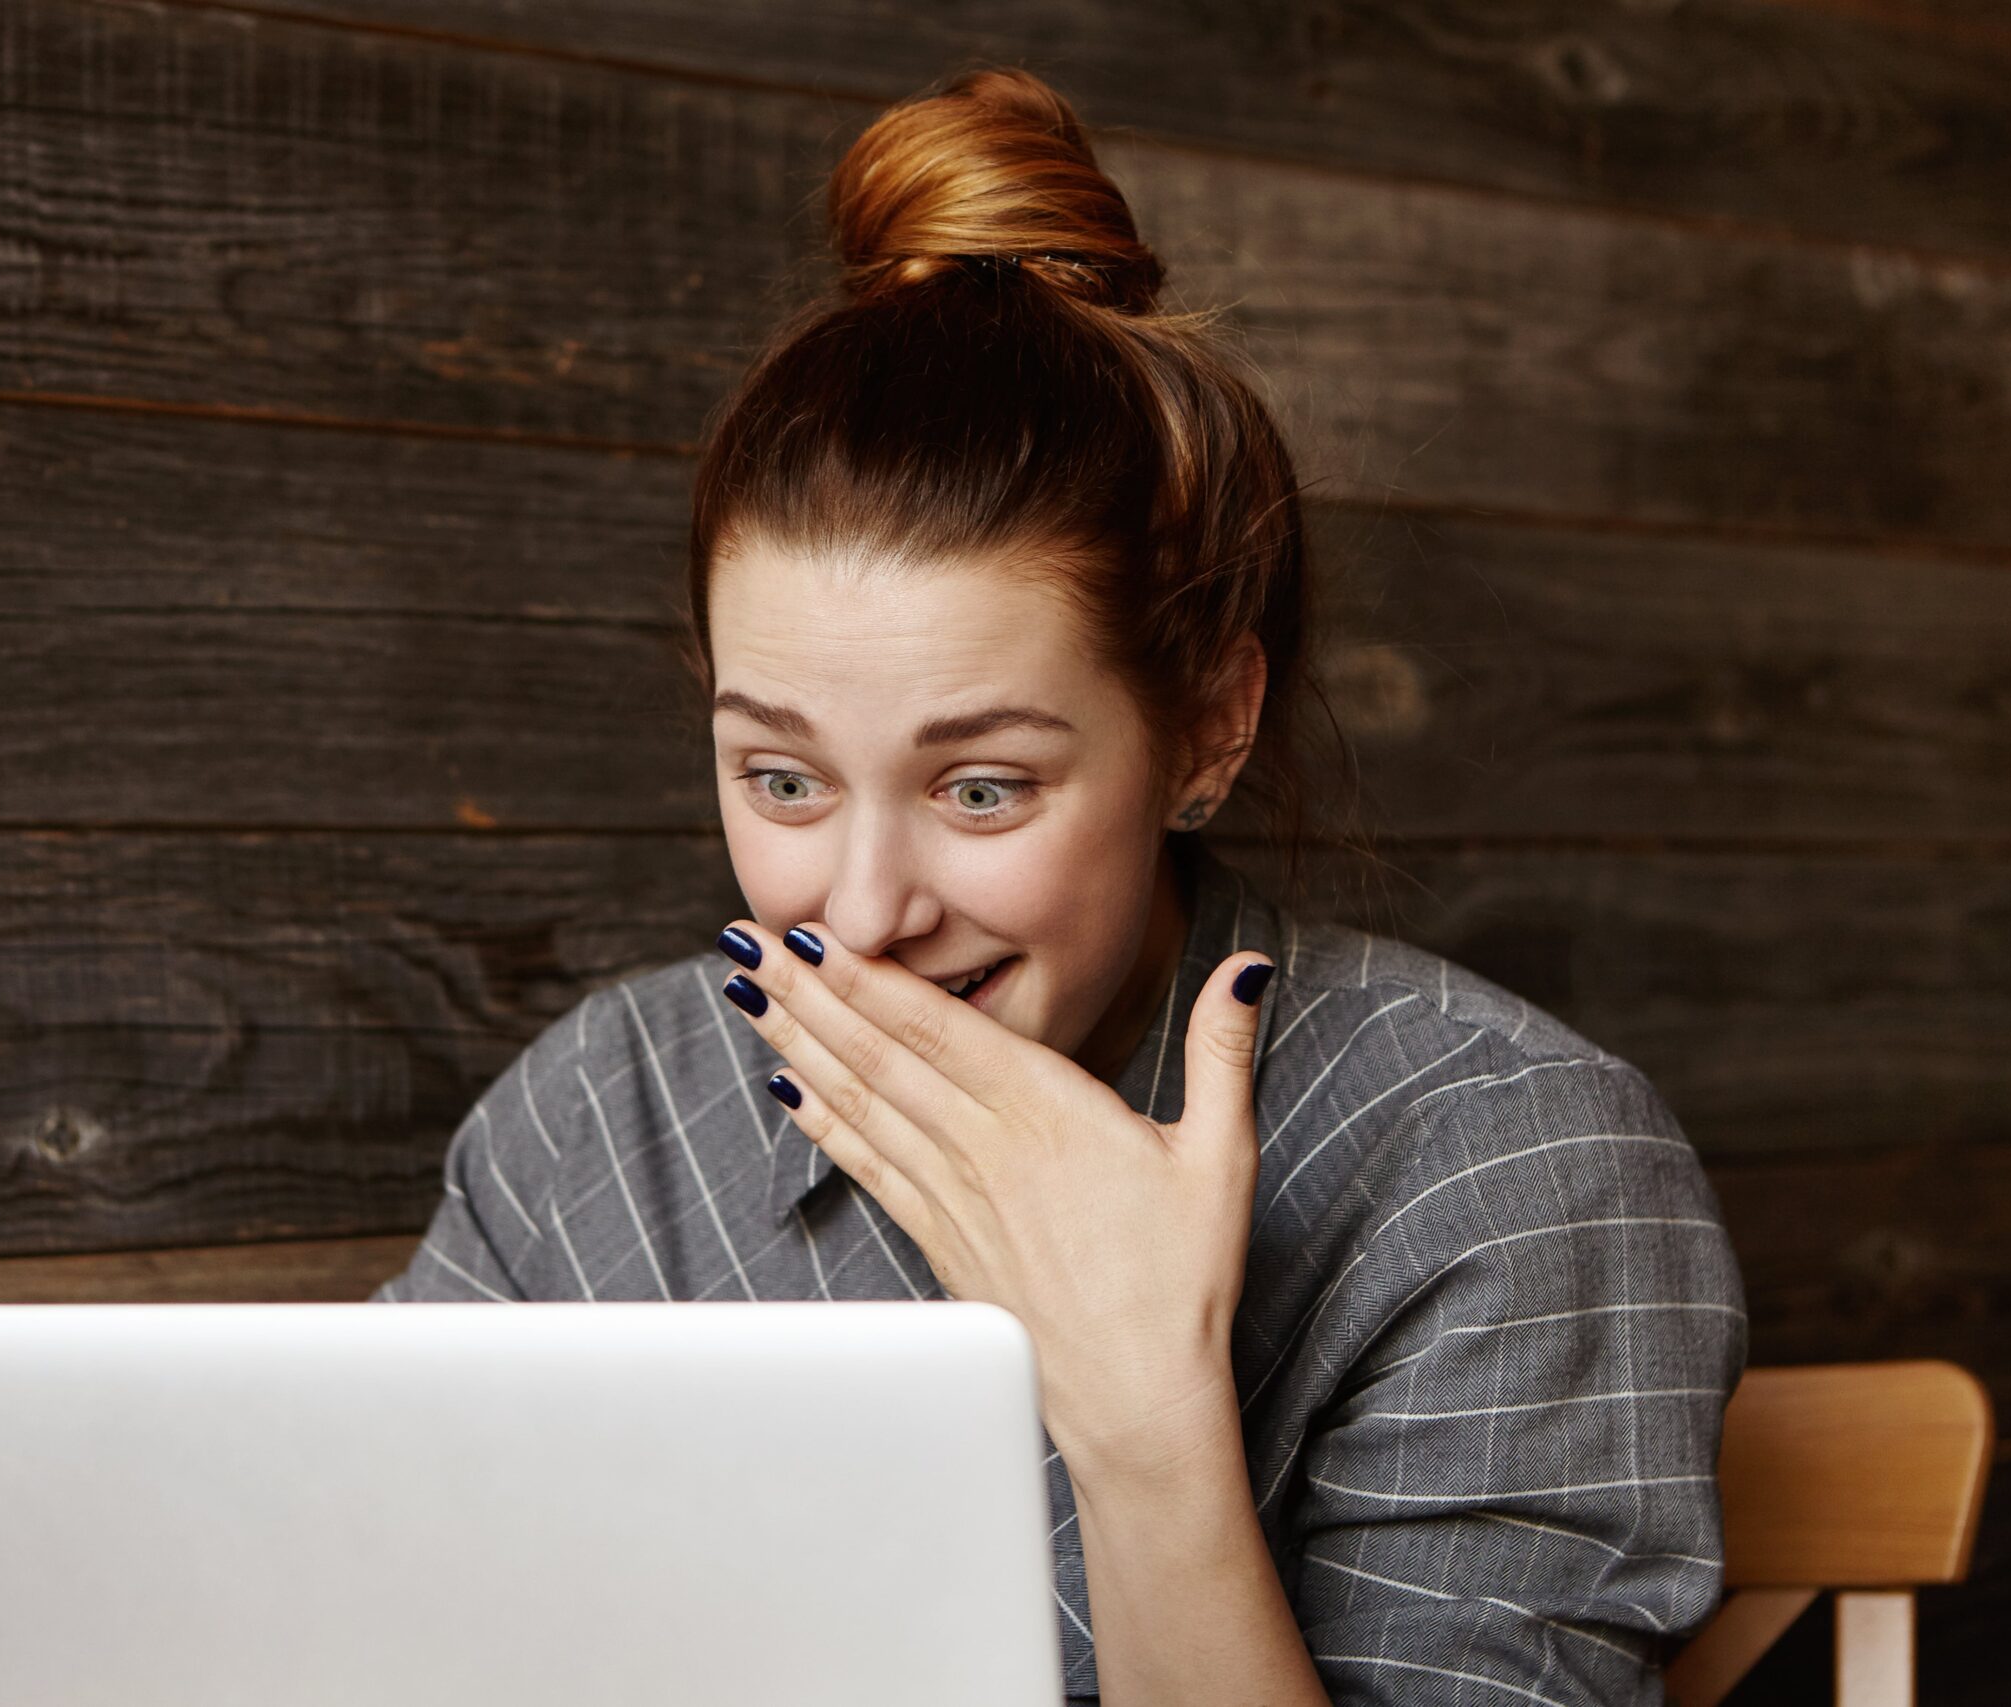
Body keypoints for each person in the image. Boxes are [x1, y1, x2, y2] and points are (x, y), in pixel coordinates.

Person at [370, 63, 1745, 1707]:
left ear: (1206, 732)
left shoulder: (1502, 1173)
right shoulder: (599, 1124)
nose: (862, 911)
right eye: (783, 778)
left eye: (981, 787)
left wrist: (1141, 1414)